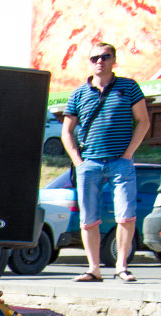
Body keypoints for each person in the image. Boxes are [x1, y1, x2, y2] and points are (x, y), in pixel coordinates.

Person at [63, 41, 150, 283]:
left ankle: (121, 266)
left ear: (114, 60)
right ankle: (94, 269)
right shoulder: (78, 93)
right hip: (89, 163)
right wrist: (78, 161)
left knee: (126, 215)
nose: (100, 61)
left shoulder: (129, 87)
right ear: (90, 62)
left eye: (105, 56)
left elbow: (143, 121)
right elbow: (66, 131)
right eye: (95, 58)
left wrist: (128, 154)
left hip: (120, 162)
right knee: (88, 218)